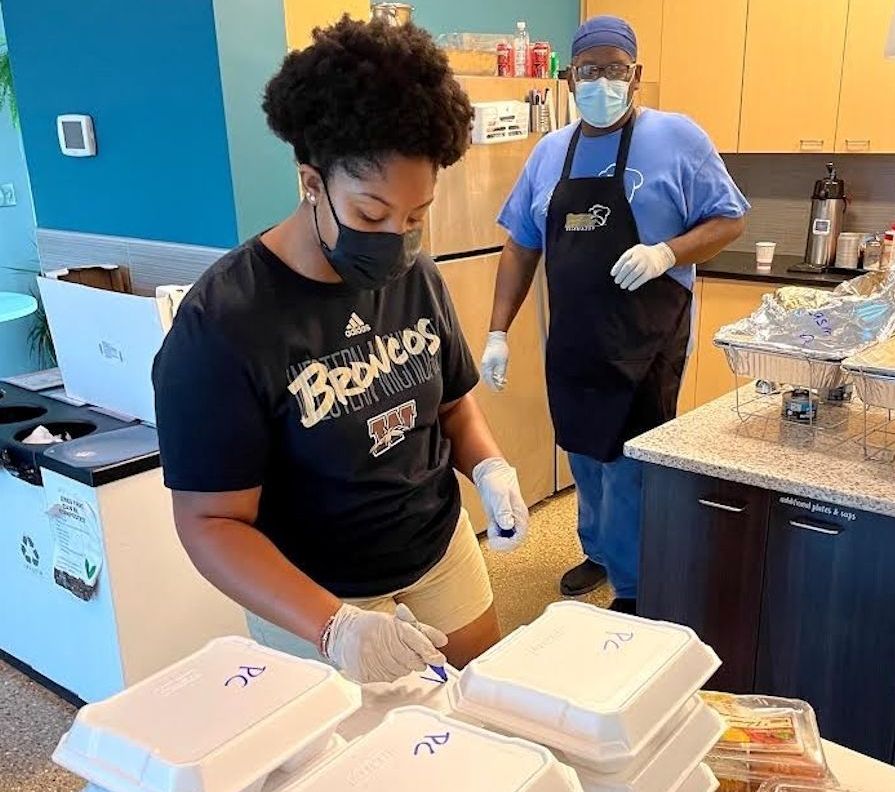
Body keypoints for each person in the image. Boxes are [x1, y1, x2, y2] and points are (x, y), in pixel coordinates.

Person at [152, 18, 529, 684]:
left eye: (417, 216)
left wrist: (492, 469)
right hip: (315, 589)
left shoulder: (417, 275)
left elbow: (451, 406)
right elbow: (210, 522)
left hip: (436, 546)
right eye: (372, 215)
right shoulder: (223, 325)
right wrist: (335, 625)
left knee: (484, 704)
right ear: (311, 182)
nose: (399, 240)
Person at [481, 15, 748, 612]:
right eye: (588, 70)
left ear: (637, 75)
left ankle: (633, 585)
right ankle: (598, 552)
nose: (601, 81)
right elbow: (522, 242)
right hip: (576, 335)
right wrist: (498, 330)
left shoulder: (678, 138)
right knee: (583, 451)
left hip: (645, 336)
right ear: (570, 77)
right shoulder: (551, 151)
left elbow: (730, 219)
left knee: (630, 462)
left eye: (615, 69)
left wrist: (666, 253)